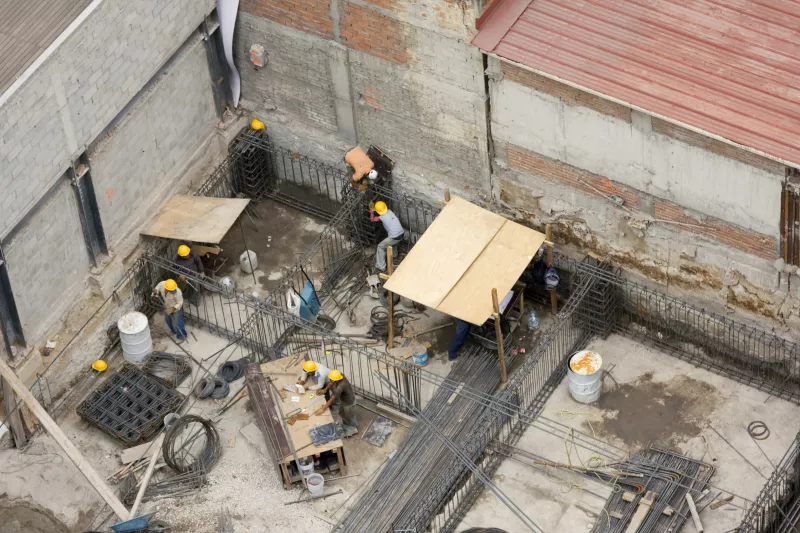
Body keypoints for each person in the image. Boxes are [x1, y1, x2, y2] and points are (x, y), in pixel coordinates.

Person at [315, 369, 358, 437]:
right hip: (343, 401)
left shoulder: (341, 386)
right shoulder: (339, 375)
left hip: (349, 403)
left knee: (349, 417)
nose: (330, 380)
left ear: (336, 380)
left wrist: (324, 408)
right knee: (341, 413)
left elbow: (332, 399)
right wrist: (325, 389)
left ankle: (353, 429)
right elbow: (331, 382)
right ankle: (347, 426)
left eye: (332, 380)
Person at [370, 201, 405, 272]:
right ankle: (395, 256)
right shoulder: (390, 211)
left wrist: (371, 211)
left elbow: (372, 219)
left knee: (380, 246)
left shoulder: (382, 217)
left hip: (394, 237)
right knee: (392, 243)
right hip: (401, 233)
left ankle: (381, 266)